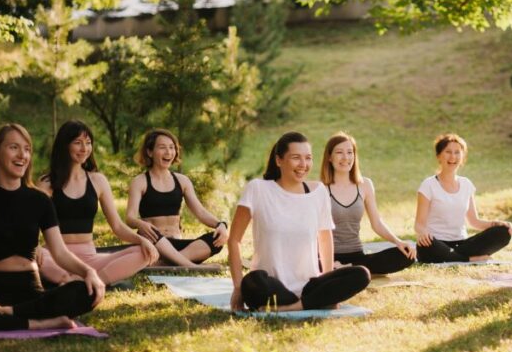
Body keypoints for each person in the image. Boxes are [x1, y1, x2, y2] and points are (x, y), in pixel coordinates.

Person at [0, 123, 105, 330]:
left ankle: (4, 314)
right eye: (14, 147)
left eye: (27, 149)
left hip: (30, 288)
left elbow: (60, 252)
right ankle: (38, 322)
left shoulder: (40, 200)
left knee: (85, 290)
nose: (22, 155)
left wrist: (88, 271)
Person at [227, 132, 370, 312]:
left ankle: (295, 306)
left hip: (308, 286)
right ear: (279, 160)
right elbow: (234, 240)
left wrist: (327, 282)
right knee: (252, 282)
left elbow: (325, 238)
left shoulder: (318, 191)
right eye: (296, 158)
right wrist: (238, 287)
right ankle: (312, 302)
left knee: (361, 274)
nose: (303, 165)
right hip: (270, 285)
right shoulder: (258, 189)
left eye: (308, 158)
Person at [36, 121, 158, 286]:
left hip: (90, 259)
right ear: (64, 145)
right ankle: (78, 282)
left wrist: (142, 240)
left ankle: (88, 282)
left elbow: (117, 226)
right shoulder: (46, 183)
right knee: (33, 257)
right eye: (77, 143)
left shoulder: (98, 180)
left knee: (143, 252)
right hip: (55, 255)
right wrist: (35, 246)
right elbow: (32, 223)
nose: (84, 148)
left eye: (88, 143)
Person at [125, 129, 228, 268]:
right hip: (154, 244)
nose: (168, 152)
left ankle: (164, 264)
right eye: (162, 147)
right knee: (148, 233)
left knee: (216, 240)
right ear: (149, 152)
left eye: (172, 147)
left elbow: (200, 212)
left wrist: (220, 224)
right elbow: (130, 218)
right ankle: (191, 266)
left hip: (177, 245)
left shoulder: (182, 181)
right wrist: (141, 224)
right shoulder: (140, 182)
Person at [321, 132, 415, 275]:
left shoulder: (365, 185)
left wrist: (398, 242)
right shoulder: (321, 188)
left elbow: (376, 223)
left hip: (358, 256)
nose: (346, 157)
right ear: (329, 157)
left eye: (350, 152)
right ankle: (339, 269)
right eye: (339, 152)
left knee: (407, 254)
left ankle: (349, 270)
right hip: (329, 256)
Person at [413, 133, 512, 263]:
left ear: (462, 157)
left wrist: (497, 224)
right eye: (448, 152)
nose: (453, 157)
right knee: (425, 248)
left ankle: (454, 257)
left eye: (457, 152)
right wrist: (423, 233)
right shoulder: (428, 185)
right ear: (439, 156)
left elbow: (474, 222)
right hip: (436, 243)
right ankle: (469, 259)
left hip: (462, 244)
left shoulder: (466, 184)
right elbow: (419, 224)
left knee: (503, 232)